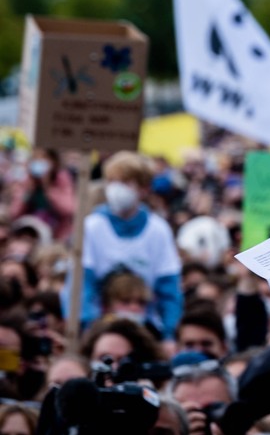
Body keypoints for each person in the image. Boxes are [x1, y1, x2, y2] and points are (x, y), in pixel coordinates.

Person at [61, 151, 183, 353]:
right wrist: (87, 328)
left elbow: (169, 289)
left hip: (144, 330)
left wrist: (169, 334)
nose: (116, 188)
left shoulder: (158, 230)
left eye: (125, 182)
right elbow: (81, 284)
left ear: (143, 189)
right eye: (111, 181)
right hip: (99, 328)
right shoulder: (91, 226)